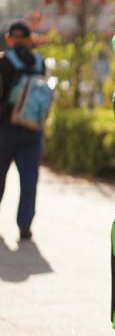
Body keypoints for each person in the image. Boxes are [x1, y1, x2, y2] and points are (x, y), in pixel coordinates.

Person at [0, 20, 46, 241]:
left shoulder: (4, 61)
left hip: (5, 129)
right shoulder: (40, 63)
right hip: (32, 130)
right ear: (30, 40)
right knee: (29, 181)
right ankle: (25, 226)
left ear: (9, 39)